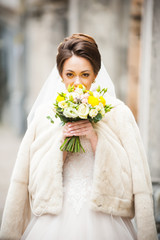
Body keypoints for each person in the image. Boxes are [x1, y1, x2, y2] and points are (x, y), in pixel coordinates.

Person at [0, 33, 158, 240]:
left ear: (95, 74)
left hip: (106, 216)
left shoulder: (118, 113)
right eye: (70, 74)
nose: (77, 83)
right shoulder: (45, 114)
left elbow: (137, 176)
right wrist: (62, 146)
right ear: (61, 75)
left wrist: (94, 138)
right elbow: (27, 178)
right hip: (55, 216)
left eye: (85, 74)